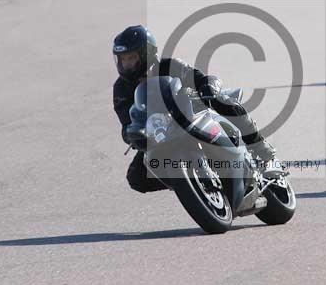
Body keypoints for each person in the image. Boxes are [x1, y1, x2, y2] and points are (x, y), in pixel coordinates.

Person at [112, 25, 280, 193]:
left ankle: (263, 151)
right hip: (160, 132)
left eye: (131, 58)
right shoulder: (121, 89)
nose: (126, 64)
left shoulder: (170, 66)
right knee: (136, 179)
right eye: (123, 59)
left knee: (223, 101)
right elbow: (127, 121)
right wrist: (132, 135)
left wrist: (208, 87)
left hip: (192, 112)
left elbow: (200, 78)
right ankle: (187, 181)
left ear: (146, 54)